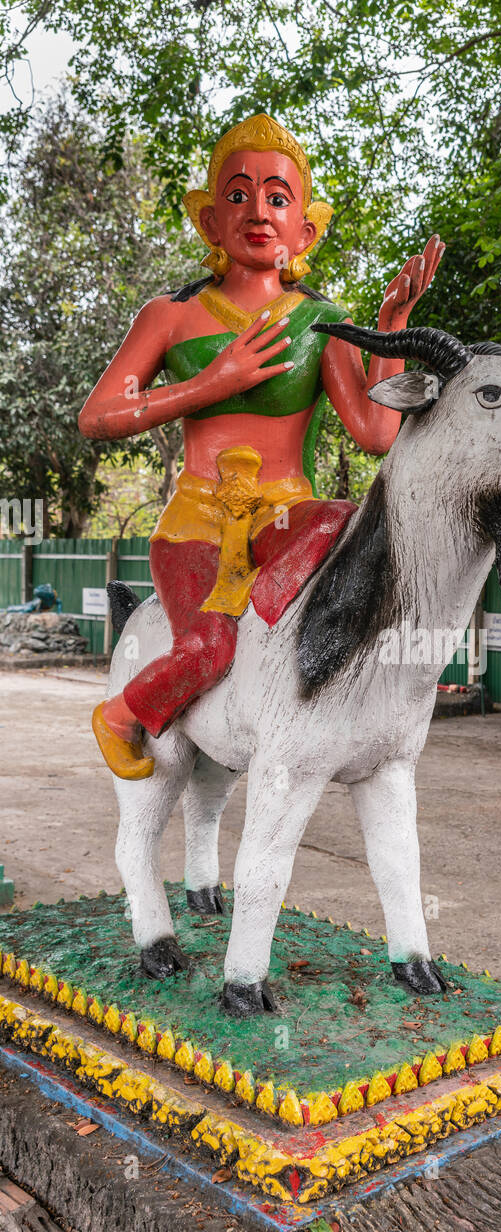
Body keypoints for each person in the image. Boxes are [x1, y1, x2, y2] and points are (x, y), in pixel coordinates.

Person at [79, 113, 443, 779]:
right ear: (210, 221)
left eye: (278, 198)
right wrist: (212, 383)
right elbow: (99, 415)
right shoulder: (170, 316)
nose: (258, 212)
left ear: (304, 228)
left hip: (285, 522)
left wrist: (392, 327)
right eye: (238, 194)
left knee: (346, 519)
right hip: (197, 523)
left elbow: (375, 433)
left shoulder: (322, 323)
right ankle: (122, 714)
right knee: (211, 645)